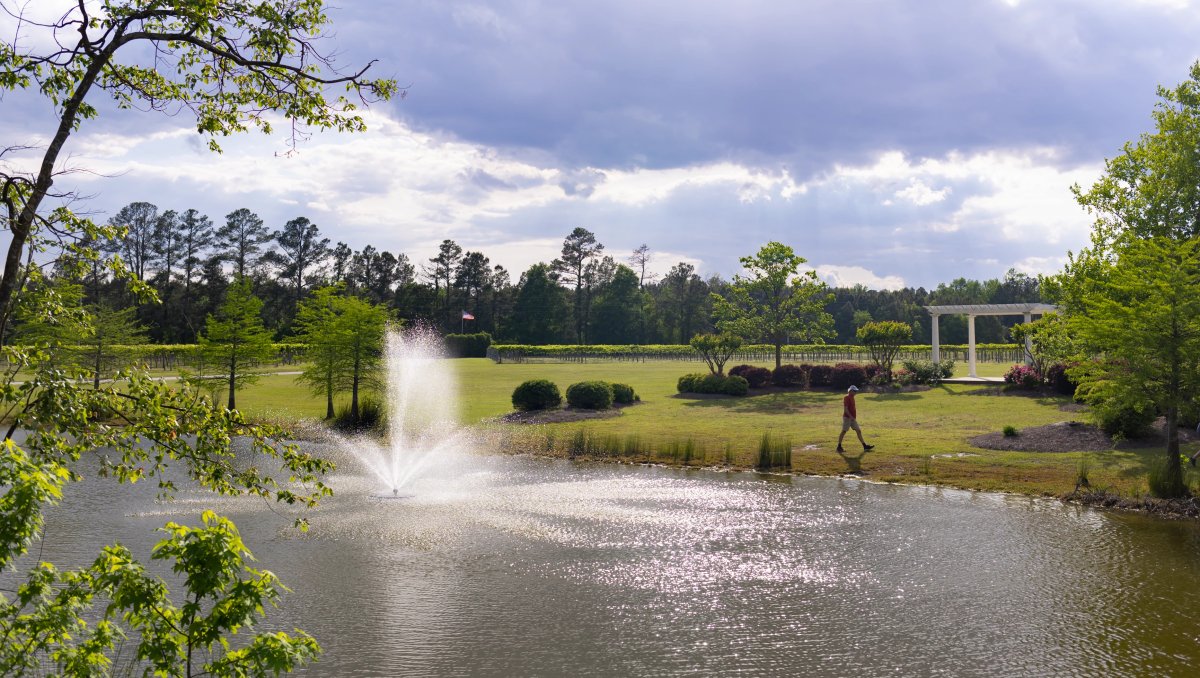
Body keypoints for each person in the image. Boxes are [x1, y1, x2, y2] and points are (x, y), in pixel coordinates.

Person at [837, 385, 874, 453]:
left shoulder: (852, 397)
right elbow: (846, 409)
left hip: (852, 419)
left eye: (856, 391)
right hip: (847, 418)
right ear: (850, 391)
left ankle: (864, 446)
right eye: (854, 391)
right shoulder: (846, 397)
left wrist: (852, 417)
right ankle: (839, 447)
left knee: (858, 431)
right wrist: (850, 416)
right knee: (844, 431)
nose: (856, 392)